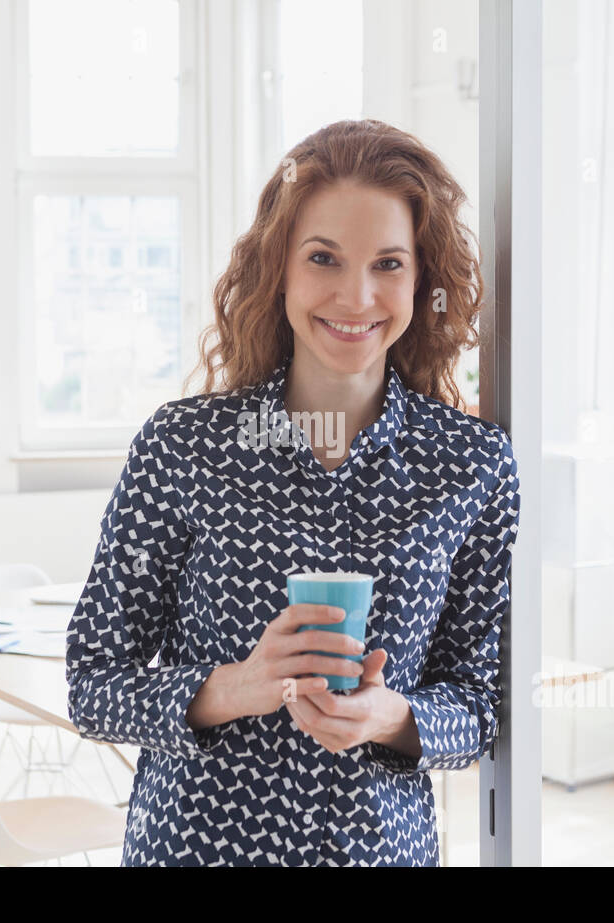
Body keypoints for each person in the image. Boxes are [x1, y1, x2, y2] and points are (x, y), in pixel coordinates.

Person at [65, 118, 521, 866]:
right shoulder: (184, 447)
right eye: (324, 258)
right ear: (279, 268)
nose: (356, 294)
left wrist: (392, 717)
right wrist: (233, 687)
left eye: (388, 264)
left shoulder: (471, 465)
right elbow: (93, 683)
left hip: (381, 852)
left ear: (421, 280)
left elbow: (476, 704)